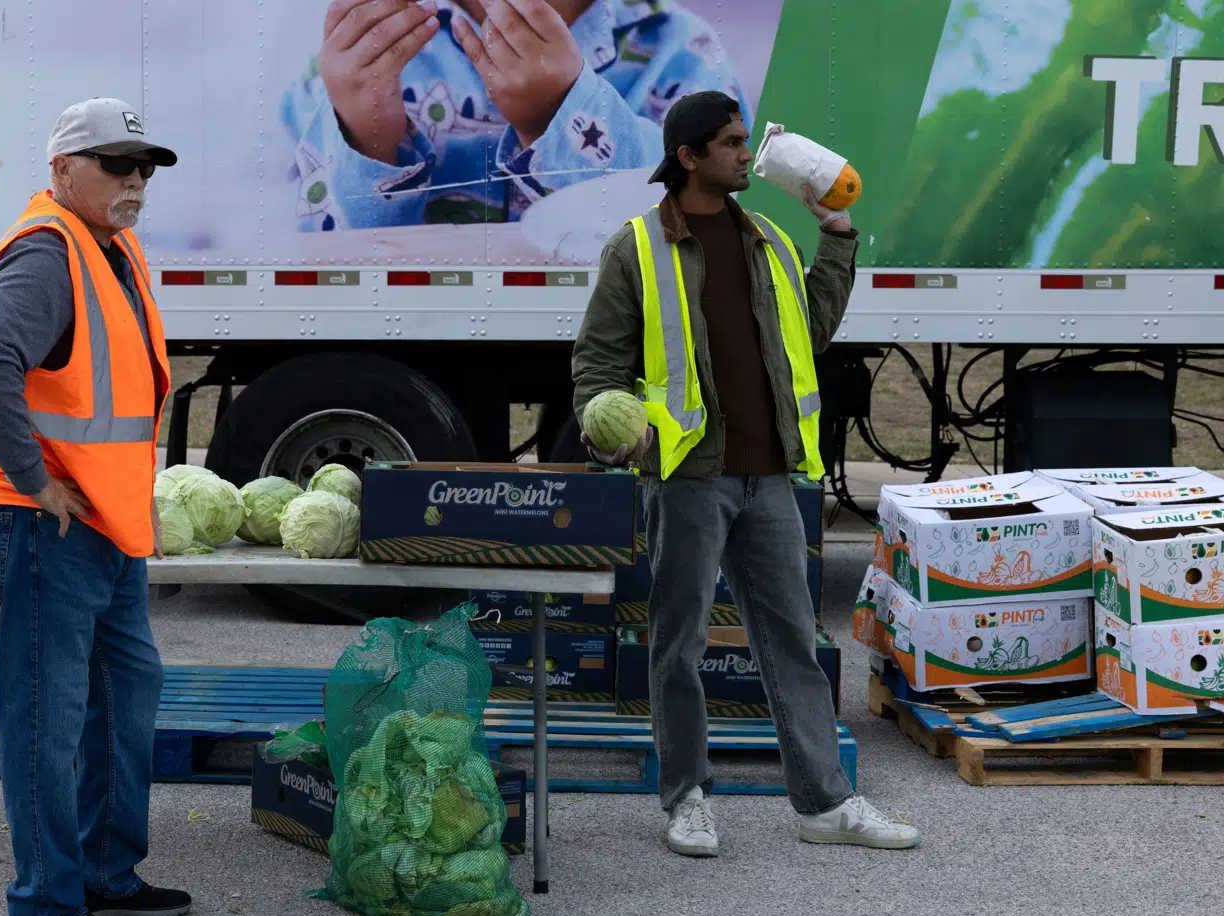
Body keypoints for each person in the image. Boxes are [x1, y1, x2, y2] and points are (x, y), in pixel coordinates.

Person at [571, 91, 923, 858]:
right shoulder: (636, 248)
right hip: (691, 475)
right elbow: (596, 366)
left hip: (770, 477)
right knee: (679, 643)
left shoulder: (766, 238)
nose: (744, 153)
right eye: (730, 143)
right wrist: (613, 425)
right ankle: (687, 797)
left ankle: (824, 804)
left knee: (793, 641)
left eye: (742, 140)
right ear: (689, 157)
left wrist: (837, 237)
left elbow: (814, 327)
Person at [0, 98, 189, 916]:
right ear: (61, 171)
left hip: (104, 526)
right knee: (47, 721)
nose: (135, 181)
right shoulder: (49, 253)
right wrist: (34, 479)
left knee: (127, 695)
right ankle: (46, 909)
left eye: (145, 167)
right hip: (46, 526)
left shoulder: (110, 248)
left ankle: (104, 871)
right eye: (117, 164)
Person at [280, 0, 751, 230]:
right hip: (408, 340)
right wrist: (366, 134)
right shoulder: (366, 48)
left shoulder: (679, 46)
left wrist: (559, 111)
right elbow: (315, 252)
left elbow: (701, 224)